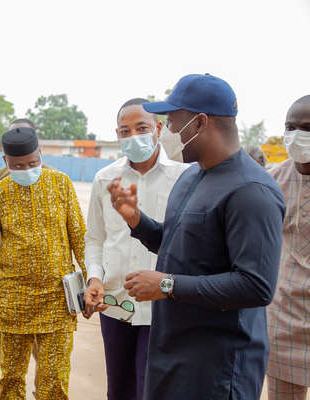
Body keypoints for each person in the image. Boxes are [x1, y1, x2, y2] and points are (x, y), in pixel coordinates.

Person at [101, 74, 285, 399]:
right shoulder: (192, 178)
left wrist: (166, 284)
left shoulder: (251, 192)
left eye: (172, 123)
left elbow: (256, 285)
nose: (167, 132)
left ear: (200, 122)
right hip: (173, 353)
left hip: (217, 367)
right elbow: (178, 247)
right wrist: (136, 220)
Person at [84, 98, 189, 400]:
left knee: (153, 390)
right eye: (125, 131)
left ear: (157, 128)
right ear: (117, 134)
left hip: (162, 307)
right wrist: (94, 278)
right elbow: (95, 238)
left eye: (141, 128)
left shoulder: (183, 178)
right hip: (116, 305)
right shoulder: (105, 178)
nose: (133, 137)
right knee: (119, 389)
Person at [0, 126, 86, 400]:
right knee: (12, 379)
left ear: (41, 154)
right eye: (18, 165)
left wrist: (90, 284)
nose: (27, 169)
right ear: (5, 162)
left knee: (54, 379)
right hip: (14, 300)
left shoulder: (61, 183)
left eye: (33, 163)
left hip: (57, 299)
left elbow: (79, 236)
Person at [0, 118, 54, 400]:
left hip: (41, 290)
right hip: (0, 281)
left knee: (45, 361)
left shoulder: (55, 182)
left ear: (38, 147)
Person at [266, 95, 310, 400]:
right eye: (290, 127)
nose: (296, 135)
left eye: (306, 128)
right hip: (282, 324)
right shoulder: (271, 183)